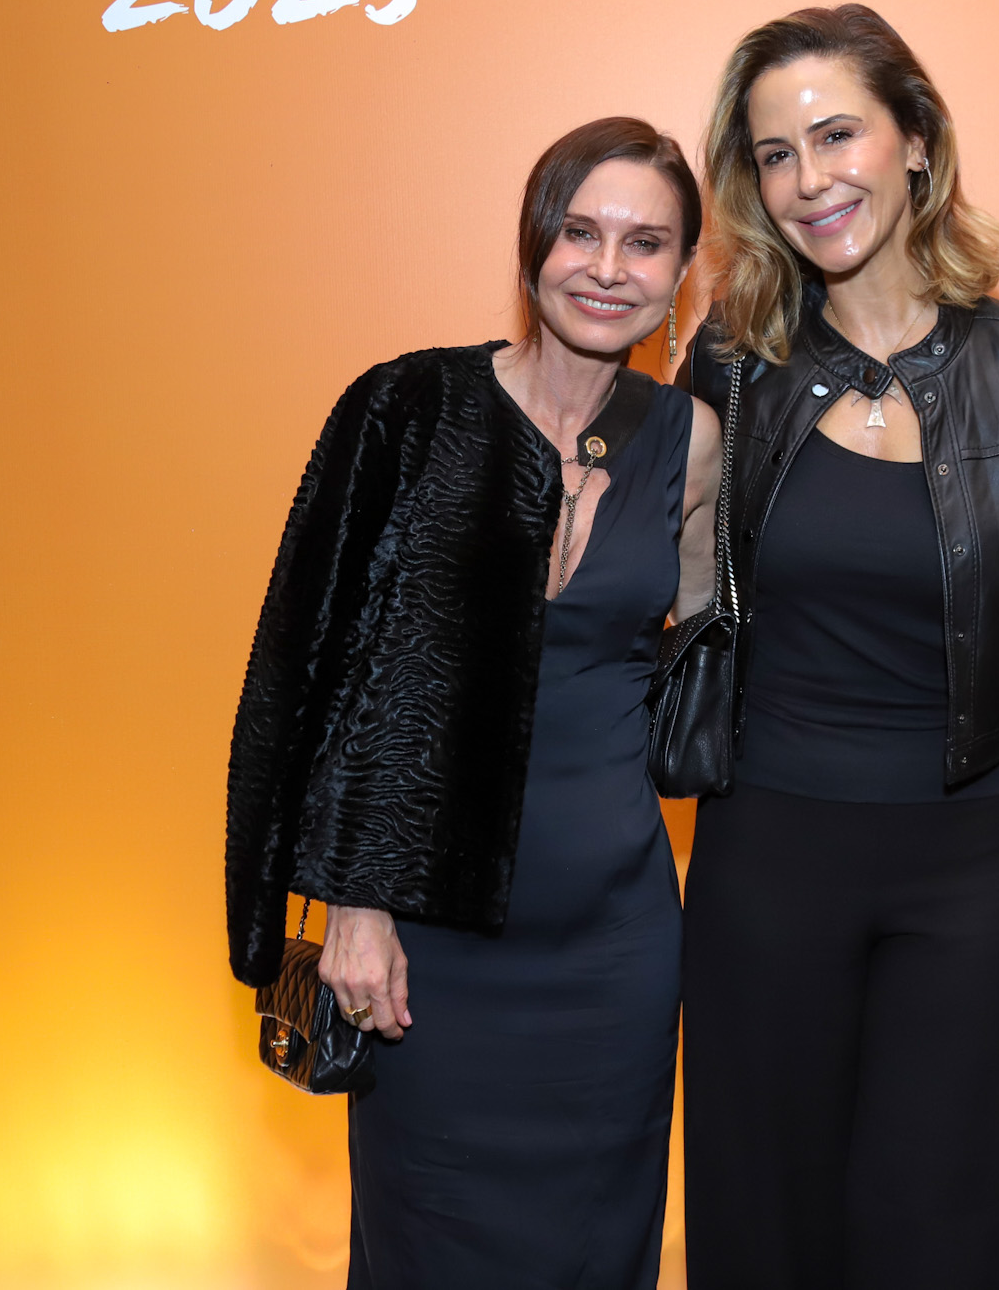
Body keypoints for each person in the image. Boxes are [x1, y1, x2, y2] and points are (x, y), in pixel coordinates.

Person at [224, 117, 720, 1289]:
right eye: (580, 232)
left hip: (612, 940)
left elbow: (703, 667)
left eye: (645, 243)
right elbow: (321, 662)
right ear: (532, 242)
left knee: (596, 1248)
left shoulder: (690, 440)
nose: (608, 268)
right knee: (427, 1242)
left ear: (681, 274)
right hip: (425, 938)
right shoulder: (407, 404)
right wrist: (353, 896)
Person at [676, 5, 999, 1290]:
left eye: (836, 135)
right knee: (765, 1224)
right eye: (774, 154)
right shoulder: (730, 364)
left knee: (942, 1224)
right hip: (766, 853)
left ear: (915, 139)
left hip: (968, 866)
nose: (808, 180)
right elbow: (670, 598)